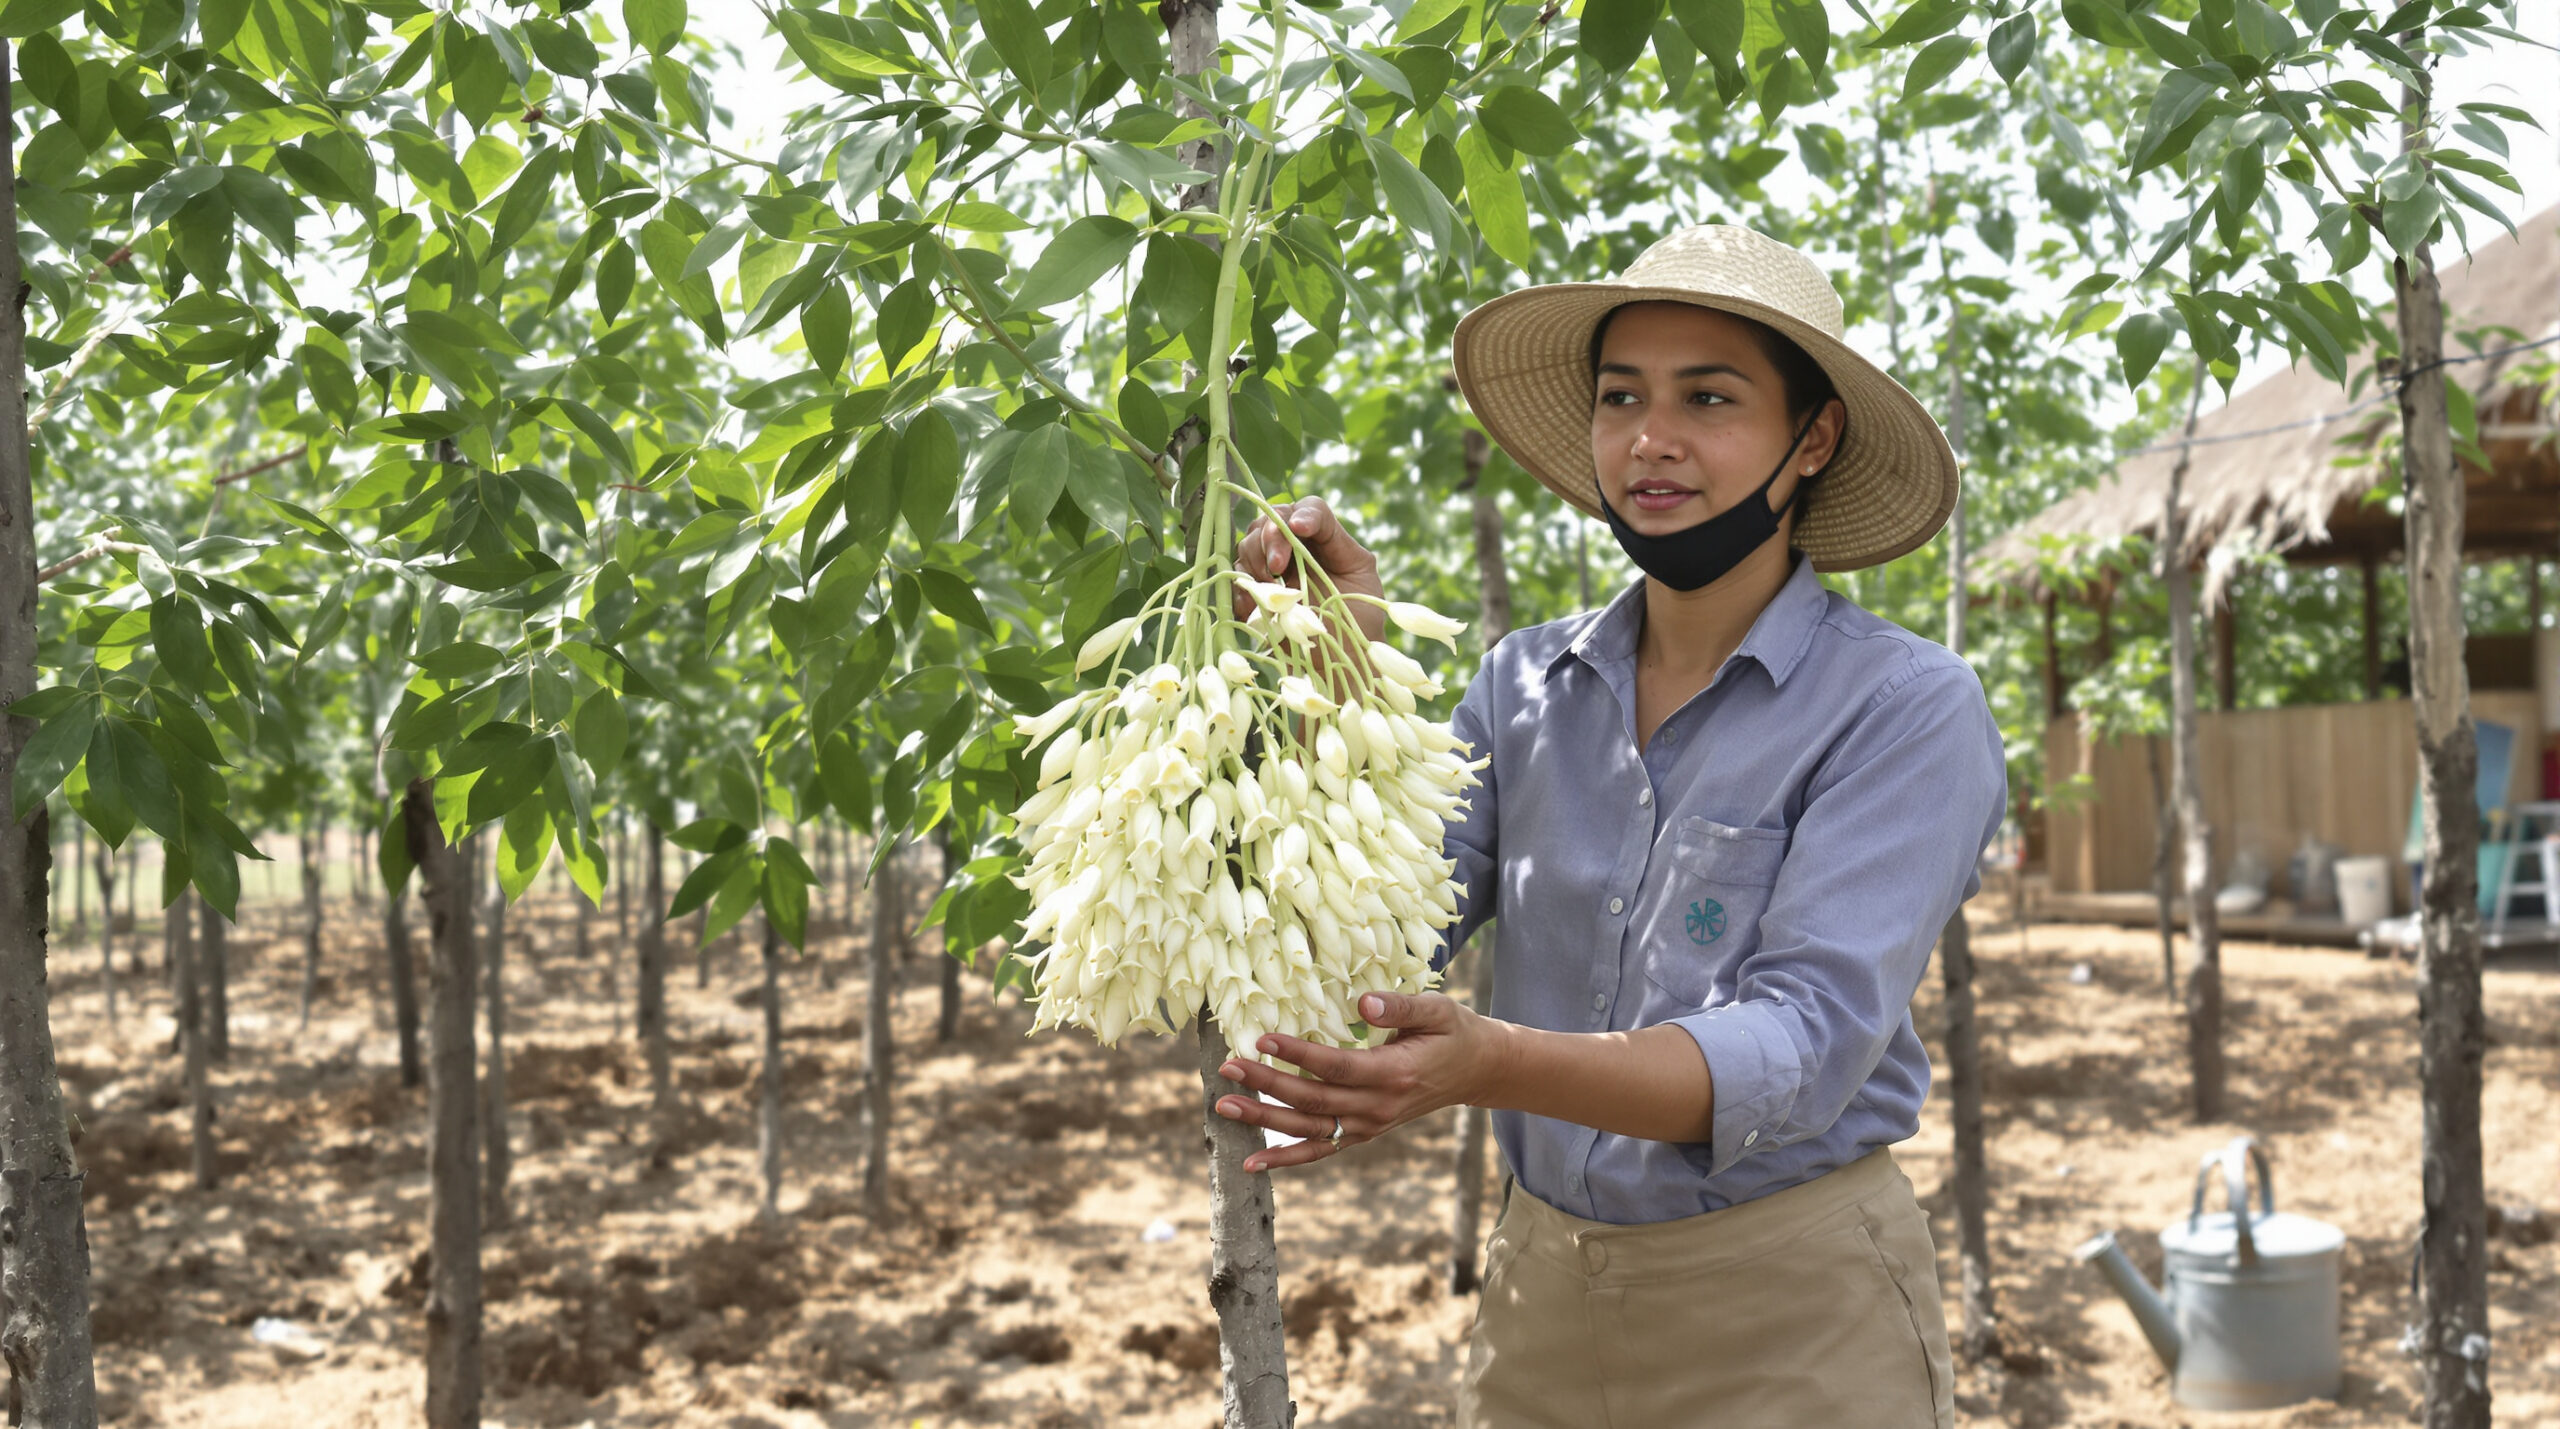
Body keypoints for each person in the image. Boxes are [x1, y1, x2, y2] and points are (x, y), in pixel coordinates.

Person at [1213, 225, 2006, 1427]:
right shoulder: (1520, 687)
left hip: (1792, 1317)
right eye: (1620, 396)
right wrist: (1339, 682)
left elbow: (1798, 1044)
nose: (1651, 439)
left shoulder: (1902, 707)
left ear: (1815, 439)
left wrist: (1486, 1063)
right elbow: (1379, 932)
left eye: (1710, 397)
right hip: (1540, 1296)